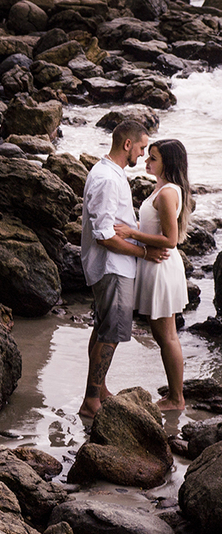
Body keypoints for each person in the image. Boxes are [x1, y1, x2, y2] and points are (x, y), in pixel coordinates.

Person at [78, 120, 169, 420]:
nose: (143, 154)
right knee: (111, 333)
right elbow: (104, 236)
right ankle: (91, 399)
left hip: (112, 267)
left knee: (103, 327)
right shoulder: (107, 178)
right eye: (141, 148)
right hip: (112, 268)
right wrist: (144, 252)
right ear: (127, 144)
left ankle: (99, 390)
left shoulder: (109, 172)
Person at [111, 139, 192, 411]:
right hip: (154, 265)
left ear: (168, 163)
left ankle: (177, 398)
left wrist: (131, 233)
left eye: (153, 158)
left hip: (161, 267)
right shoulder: (161, 187)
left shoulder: (167, 193)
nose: (146, 161)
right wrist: (131, 228)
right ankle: (175, 395)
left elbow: (170, 239)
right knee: (163, 335)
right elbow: (151, 225)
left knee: (166, 336)